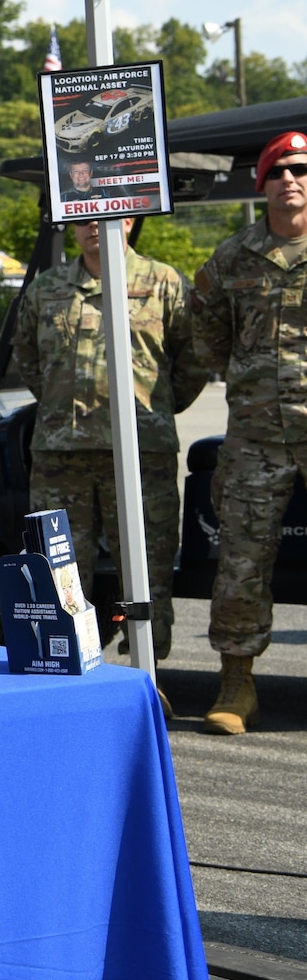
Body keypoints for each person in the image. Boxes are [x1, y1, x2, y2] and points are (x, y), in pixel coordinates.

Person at [13, 216, 205, 666]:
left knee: (148, 572)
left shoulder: (163, 281)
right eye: (82, 218)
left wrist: (153, 409)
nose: (95, 225)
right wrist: (64, 409)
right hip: (62, 455)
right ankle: (68, 670)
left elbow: (193, 359)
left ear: (130, 218)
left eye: (107, 215)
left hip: (142, 454)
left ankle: (150, 677)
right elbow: (28, 357)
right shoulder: (47, 287)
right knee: (57, 571)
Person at [189, 130, 307, 734]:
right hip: (256, 435)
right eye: (279, 170)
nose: (292, 178)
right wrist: (239, 370)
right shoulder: (233, 256)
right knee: (241, 560)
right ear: (261, 184)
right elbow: (202, 322)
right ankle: (237, 682)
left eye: (301, 168)